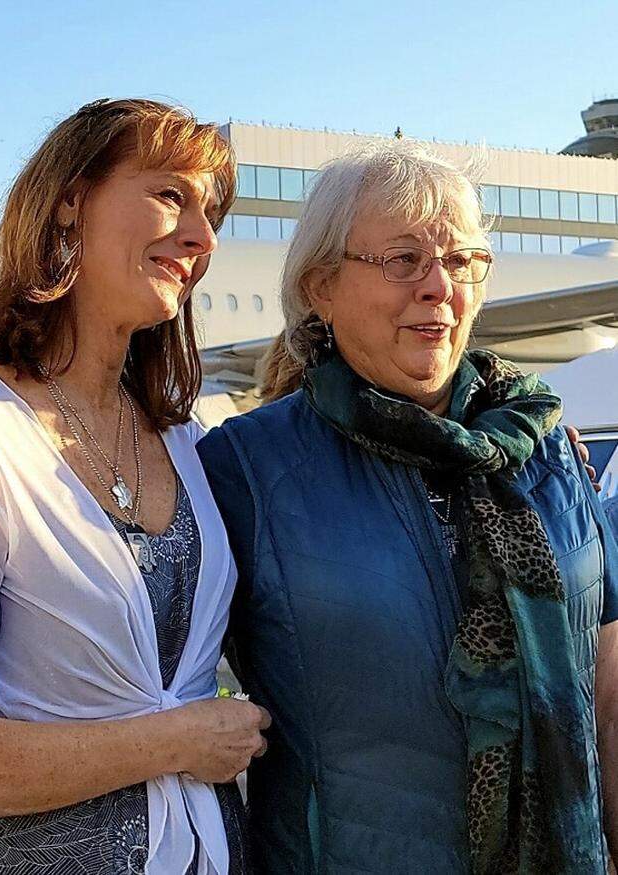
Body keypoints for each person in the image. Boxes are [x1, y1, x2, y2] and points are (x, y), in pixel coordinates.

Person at [0, 98, 269, 874]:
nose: (202, 237)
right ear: (69, 201)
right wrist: (179, 738)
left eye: (210, 211)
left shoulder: (183, 441)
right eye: (170, 195)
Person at [198, 141, 618, 873]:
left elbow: (608, 692)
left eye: (460, 261)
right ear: (321, 284)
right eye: (402, 260)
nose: (438, 287)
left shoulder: (543, 446)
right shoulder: (246, 468)